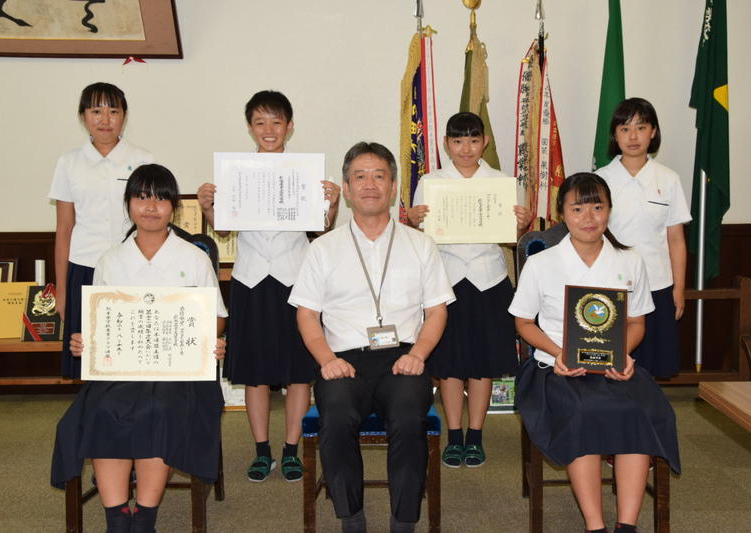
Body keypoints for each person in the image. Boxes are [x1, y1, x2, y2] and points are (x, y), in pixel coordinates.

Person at [50, 164, 228, 533]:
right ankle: (117, 517)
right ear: (128, 203)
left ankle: (145, 517)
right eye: (141, 197)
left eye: (161, 198)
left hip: (179, 375)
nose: (150, 206)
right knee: (102, 410)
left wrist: (209, 340)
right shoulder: (110, 259)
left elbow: (217, 317)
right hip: (122, 371)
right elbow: (100, 322)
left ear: (173, 207)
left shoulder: (193, 257)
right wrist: (85, 342)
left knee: (160, 410)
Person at [289, 142, 455, 533]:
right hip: (343, 361)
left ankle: (404, 520)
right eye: (359, 177)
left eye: (379, 176)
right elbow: (307, 314)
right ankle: (351, 517)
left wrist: (419, 354)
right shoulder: (323, 249)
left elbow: (437, 311)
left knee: (408, 417)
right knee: (336, 417)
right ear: (346, 189)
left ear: (393, 187)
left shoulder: (420, 245)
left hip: (404, 358)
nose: (369, 184)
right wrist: (327, 360)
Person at [509, 173, 680, 533]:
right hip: (555, 368)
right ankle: (595, 525)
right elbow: (523, 323)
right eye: (578, 208)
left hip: (613, 367)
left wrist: (623, 354)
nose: (588, 217)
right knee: (581, 412)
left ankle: (626, 526)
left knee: (639, 411)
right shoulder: (542, 263)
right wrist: (559, 353)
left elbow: (636, 323)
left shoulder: (630, 260)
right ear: (562, 214)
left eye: (597, 207)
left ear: (609, 211)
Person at [196, 90, 341, 482]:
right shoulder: (235, 171)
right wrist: (208, 207)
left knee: (298, 371)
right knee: (255, 372)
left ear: (290, 127)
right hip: (251, 278)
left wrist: (332, 203)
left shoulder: (305, 171)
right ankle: (262, 451)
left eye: (277, 122)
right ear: (250, 127)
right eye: (260, 122)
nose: (269, 130)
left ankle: (291, 449)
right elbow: (223, 229)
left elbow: (321, 228)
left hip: (296, 278)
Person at [406, 111, 529, 468]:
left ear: (485, 142)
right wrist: (412, 221)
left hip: (489, 281)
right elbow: (420, 239)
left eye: (474, 140)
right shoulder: (431, 182)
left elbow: (513, 240)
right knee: (449, 364)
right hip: (446, 283)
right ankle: (454, 435)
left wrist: (521, 226)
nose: (466, 148)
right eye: (458, 141)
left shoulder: (503, 182)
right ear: (446, 144)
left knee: (482, 365)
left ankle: (475, 435)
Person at [49, 82, 154, 379]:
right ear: (83, 116)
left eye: (113, 111)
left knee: (133, 351)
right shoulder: (69, 162)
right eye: (96, 111)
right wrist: (62, 292)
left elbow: (154, 221)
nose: (105, 119)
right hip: (84, 268)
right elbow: (64, 229)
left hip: (132, 268)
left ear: (124, 116)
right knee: (90, 357)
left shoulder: (144, 160)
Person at [595, 97, 690, 378]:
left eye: (641, 127)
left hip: (657, 285)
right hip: (611, 284)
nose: (633, 136)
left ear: (653, 131)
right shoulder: (601, 179)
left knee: (652, 368)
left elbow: (676, 239)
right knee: (610, 364)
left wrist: (679, 289)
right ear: (615, 135)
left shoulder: (668, 179)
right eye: (625, 129)